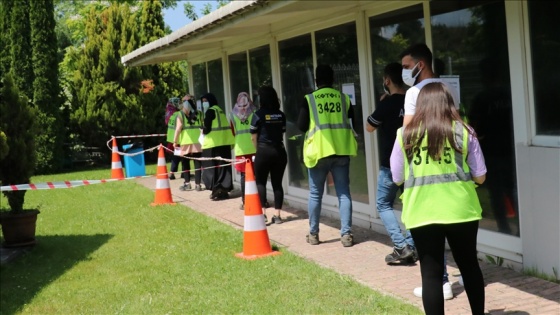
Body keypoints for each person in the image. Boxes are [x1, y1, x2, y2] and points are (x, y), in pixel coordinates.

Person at [390, 82, 487, 315]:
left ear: (420, 105)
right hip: (461, 210)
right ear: (449, 103)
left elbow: (396, 176)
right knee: (469, 267)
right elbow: (481, 177)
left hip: (422, 212)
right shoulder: (465, 131)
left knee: (430, 275)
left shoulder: (405, 134)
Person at [401, 43, 458, 299]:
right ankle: (447, 279)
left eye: (406, 66)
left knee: (429, 230)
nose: (405, 71)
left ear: (419, 65)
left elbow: (407, 135)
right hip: (450, 166)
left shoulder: (414, 93)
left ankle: (438, 282)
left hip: (424, 169)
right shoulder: (448, 88)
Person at [297, 64, 358, 247]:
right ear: (333, 80)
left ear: (316, 81)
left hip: (319, 152)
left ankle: (314, 235)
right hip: (341, 151)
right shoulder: (343, 98)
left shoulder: (309, 99)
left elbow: (301, 126)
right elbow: (352, 121)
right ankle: (346, 235)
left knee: (316, 194)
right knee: (343, 193)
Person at [365, 62, 416, 263]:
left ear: (387, 81)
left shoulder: (386, 104)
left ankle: (401, 246)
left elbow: (369, 127)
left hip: (390, 164)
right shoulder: (413, 101)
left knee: (383, 203)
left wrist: (382, 105)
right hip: (413, 162)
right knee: (410, 204)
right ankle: (412, 244)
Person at [250, 86, 287, 224]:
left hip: (263, 151)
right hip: (279, 151)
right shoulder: (281, 114)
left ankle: (263, 214)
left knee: (261, 182)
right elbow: (282, 131)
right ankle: (277, 215)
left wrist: (258, 149)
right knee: (278, 183)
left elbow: (253, 136)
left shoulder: (257, 114)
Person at [200, 93, 235, 200]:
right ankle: (224, 189)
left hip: (213, 144)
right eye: (203, 101)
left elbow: (207, 128)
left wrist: (202, 130)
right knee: (224, 168)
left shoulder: (210, 111)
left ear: (210, 101)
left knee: (212, 168)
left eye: (206, 101)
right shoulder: (220, 110)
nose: (204, 103)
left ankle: (216, 189)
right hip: (224, 143)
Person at [230, 92, 257, 210]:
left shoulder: (232, 114)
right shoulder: (254, 112)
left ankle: (245, 201)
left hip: (240, 148)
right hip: (253, 148)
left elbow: (232, 131)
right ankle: (259, 199)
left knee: (243, 176)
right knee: (256, 175)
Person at [173, 94, 203, 191]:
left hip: (186, 142)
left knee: (185, 163)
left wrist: (175, 141)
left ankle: (187, 183)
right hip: (197, 142)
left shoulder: (181, 114)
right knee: (197, 163)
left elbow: (178, 129)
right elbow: (202, 126)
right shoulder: (199, 113)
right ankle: (198, 185)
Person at [165, 97, 181, 180]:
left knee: (176, 156)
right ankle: (172, 173)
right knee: (177, 156)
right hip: (177, 139)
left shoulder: (170, 114)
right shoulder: (178, 114)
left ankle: (182, 173)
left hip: (171, 138)